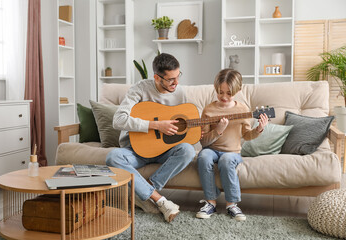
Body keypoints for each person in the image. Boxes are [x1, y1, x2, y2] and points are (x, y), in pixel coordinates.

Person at [106, 53, 195, 223]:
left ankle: (145, 193)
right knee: (112, 157)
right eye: (171, 79)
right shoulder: (139, 89)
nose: (176, 83)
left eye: (178, 77)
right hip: (135, 151)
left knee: (188, 151)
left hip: (164, 150)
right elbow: (118, 120)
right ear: (157, 77)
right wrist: (155, 125)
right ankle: (159, 200)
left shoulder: (179, 93)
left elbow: (183, 125)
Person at [195, 69, 268, 221]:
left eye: (229, 93)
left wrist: (259, 129)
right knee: (203, 156)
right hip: (211, 149)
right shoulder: (209, 109)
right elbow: (203, 142)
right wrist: (218, 131)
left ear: (238, 90)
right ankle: (210, 203)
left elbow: (247, 136)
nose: (224, 97)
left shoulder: (242, 109)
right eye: (220, 92)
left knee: (226, 160)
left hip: (232, 152)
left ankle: (232, 204)